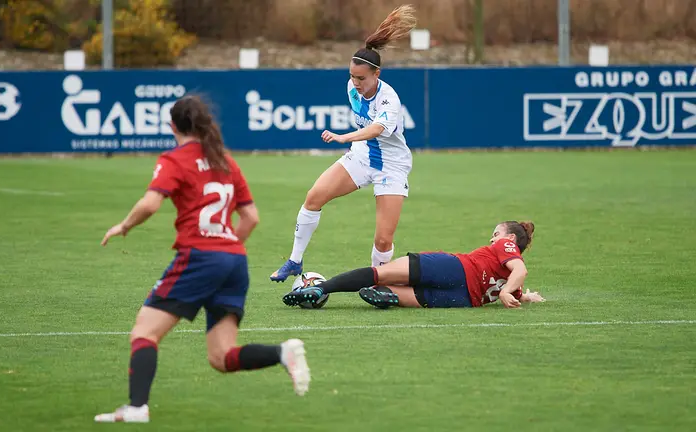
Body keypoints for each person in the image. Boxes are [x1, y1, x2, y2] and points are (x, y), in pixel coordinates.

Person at [95, 95, 311, 424]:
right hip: (234, 261)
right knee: (221, 357)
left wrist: (124, 225)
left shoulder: (175, 159)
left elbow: (151, 204)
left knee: (144, 333)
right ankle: (283, 353)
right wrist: (226, 250)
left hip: (200, 256)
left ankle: (137, 407)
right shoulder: (223, 160)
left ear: (172, 127)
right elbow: (250, 218)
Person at [270, 5, 418, 282]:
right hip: (362, 157)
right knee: (314, 197)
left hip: (392, 166)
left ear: (377, 75)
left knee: (384, 240)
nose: (355, 82)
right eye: (352, 76)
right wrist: (352, 142)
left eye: (361, 78)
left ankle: (380, 283)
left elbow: (377, 128)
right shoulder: (352, 87)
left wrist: (344, 137)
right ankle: (294, 261)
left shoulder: (389, 98)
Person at [282, 221, 545, 309]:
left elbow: (520, 271)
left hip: (454, 268)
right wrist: (523, 296)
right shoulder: (510, 280)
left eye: (496, 234)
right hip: (461, 299)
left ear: (510, 238)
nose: (492, 239)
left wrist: (511, 292)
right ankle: (387, 296)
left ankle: (321, 288)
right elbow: (514, 280)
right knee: (387, 289)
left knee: (379, 273)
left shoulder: (506, 247)